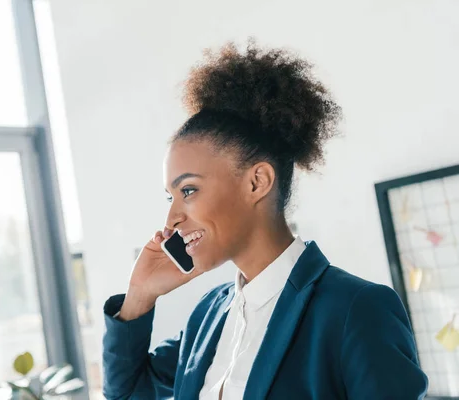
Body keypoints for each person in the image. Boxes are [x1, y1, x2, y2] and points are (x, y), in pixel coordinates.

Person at [102, 41, 428, 399]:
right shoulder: (207, 317)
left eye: (189, 190)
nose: (172, 217)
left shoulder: (356, 310)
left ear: (257, 182)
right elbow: (128, 393)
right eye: (171, 196)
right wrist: (139, 297)